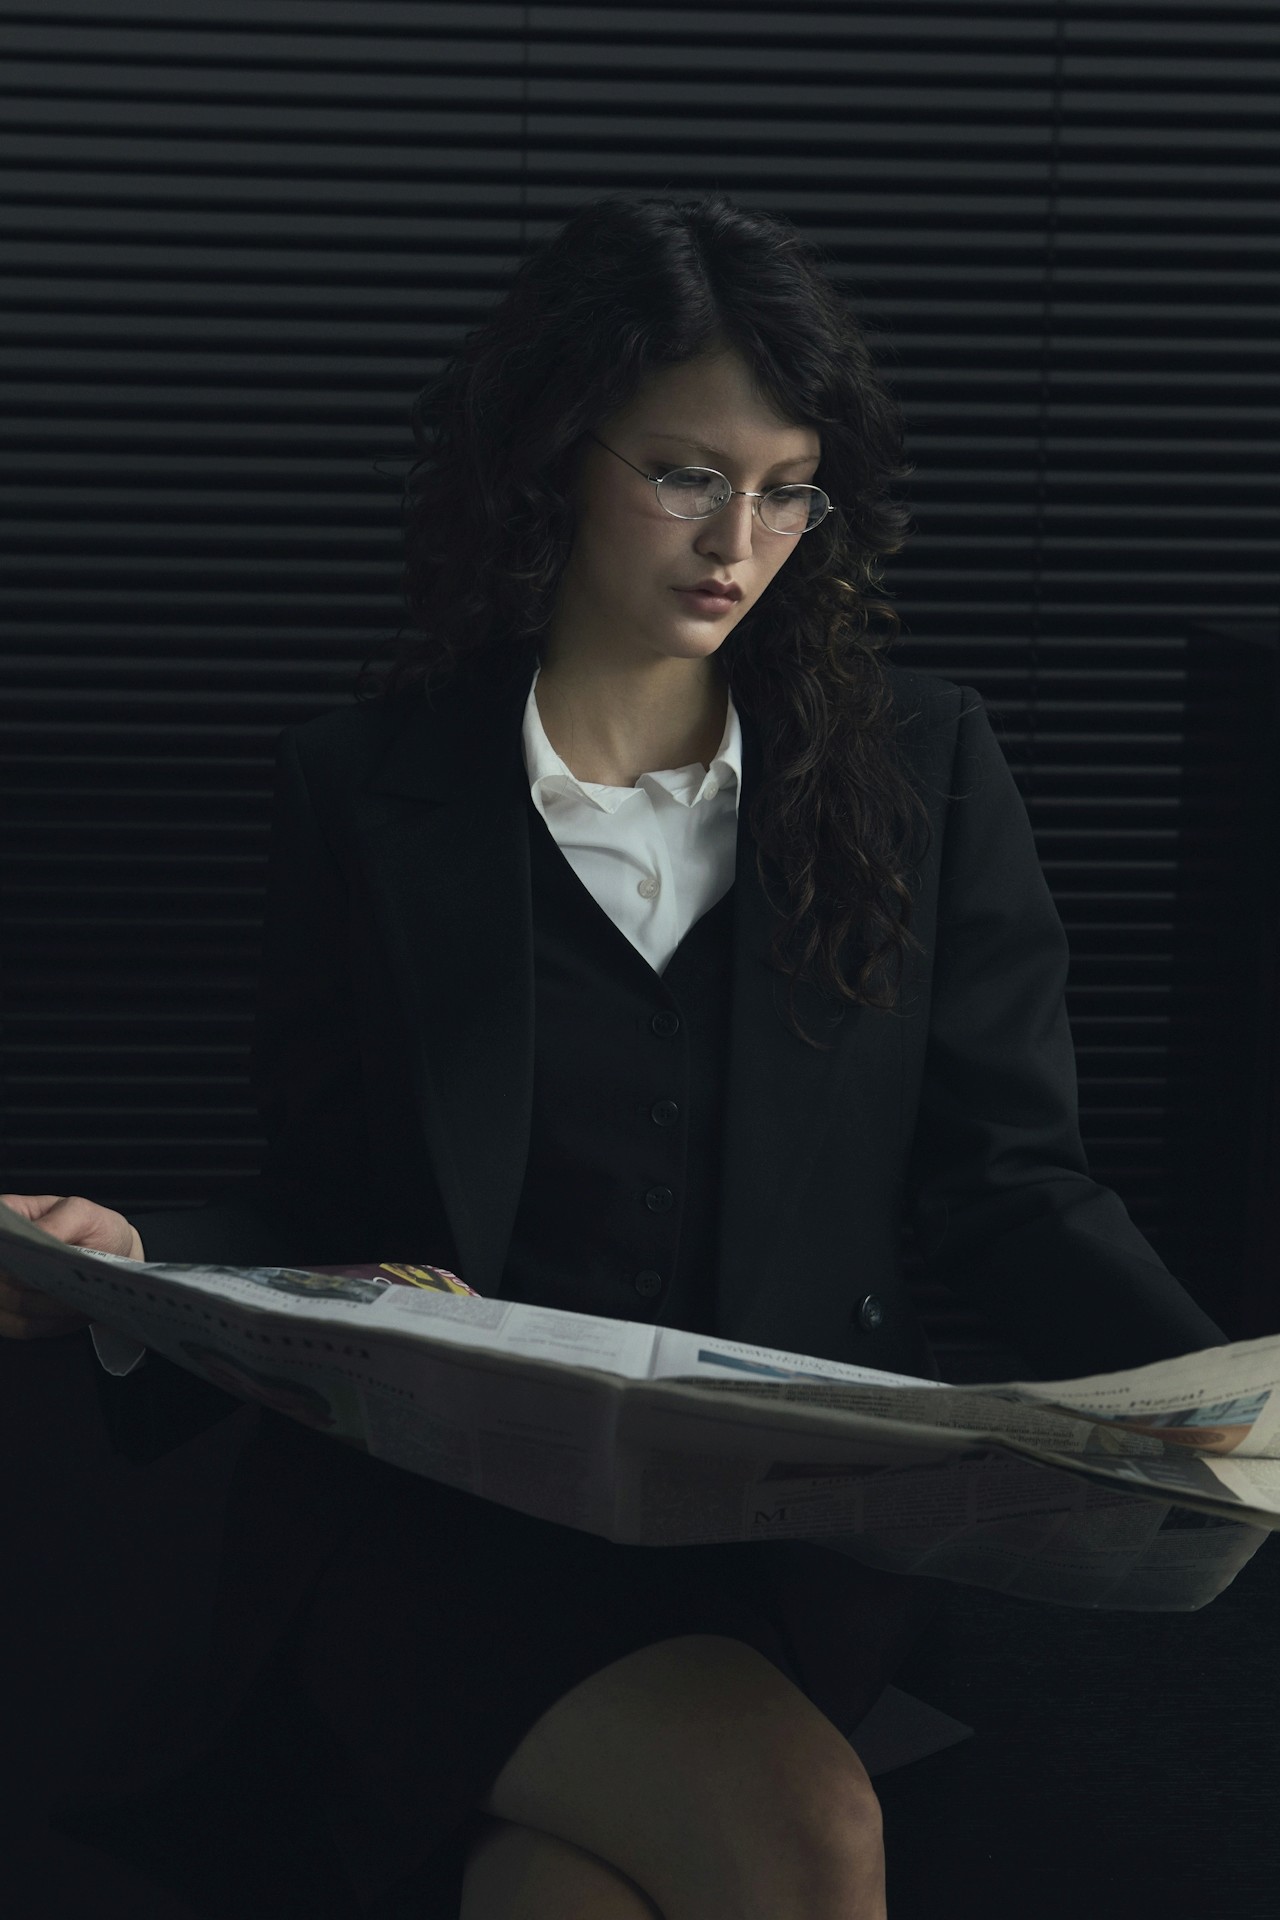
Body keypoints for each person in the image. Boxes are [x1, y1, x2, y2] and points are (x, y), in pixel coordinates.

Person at [1, 190, 1230, 1920]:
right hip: (435, 1536)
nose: (739, 538)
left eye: (787, 487)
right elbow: (332, 1192)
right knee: (807, 1836)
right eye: (684, 474)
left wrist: (1230, 1421)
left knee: (555, 1899)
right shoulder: (367, 789)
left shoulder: (921, 771)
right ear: (556, 458)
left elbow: (1012, 1189)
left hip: (773, 1551)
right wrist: (138, 1260)